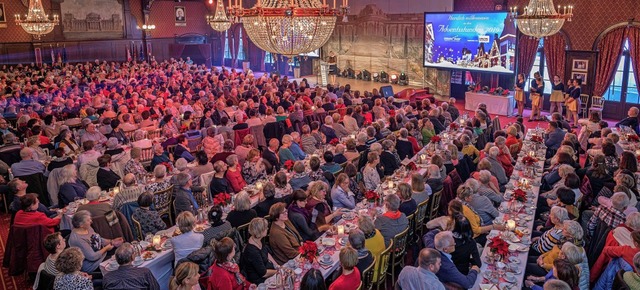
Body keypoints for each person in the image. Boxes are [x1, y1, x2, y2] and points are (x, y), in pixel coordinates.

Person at [240, 218, 277, 284]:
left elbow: (266, 252)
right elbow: (264, 273)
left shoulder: (258, 238)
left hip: (268, 269)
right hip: (259, 280)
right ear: (260, 231)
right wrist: (277, 272)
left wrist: (276, 265)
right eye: (265, 228)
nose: (267, 229)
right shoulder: (252, 252)